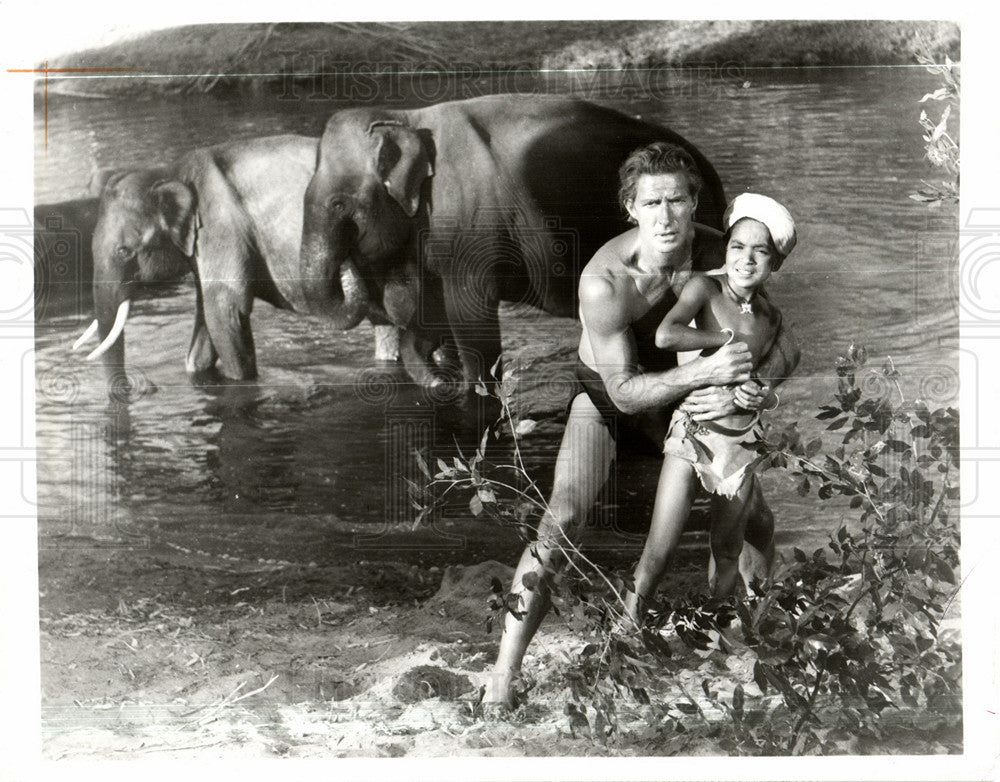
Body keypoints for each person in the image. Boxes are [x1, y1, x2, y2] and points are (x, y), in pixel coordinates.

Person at [482, 143, 798, 709]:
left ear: (695, 202)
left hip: (691, 403)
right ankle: (504, 674)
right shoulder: (605, 281)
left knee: (759, 523)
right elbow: (625, 394)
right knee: (564, 517)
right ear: (630, 207)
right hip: (607, 395)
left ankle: (750, 636)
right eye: (652, 202)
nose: (666, 215)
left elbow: (779, 336)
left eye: (677, 199)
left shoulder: (717, 251)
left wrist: (762, 383)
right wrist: (703, 371)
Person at [623, 193, 798, 621]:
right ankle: (625, 632)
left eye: (761, 251)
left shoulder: (771, 316)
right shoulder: (706, 287)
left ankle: (717, 631)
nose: (746, 259)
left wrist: (763, 391)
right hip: (695, 431)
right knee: (659, 549)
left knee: (726, 548)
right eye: (737, 246)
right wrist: (721, 342)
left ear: (775, 263)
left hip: (740, 442)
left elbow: (787, 357)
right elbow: (667, 335)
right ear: (726, 249)